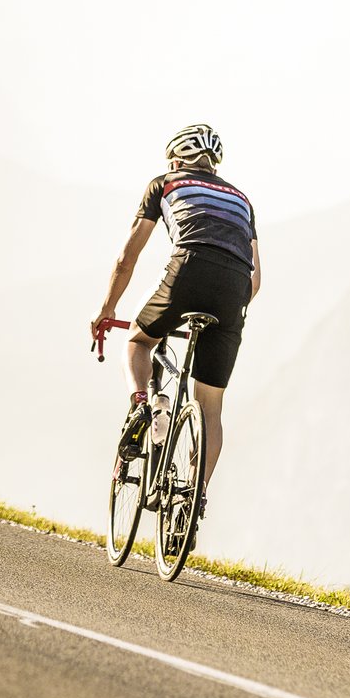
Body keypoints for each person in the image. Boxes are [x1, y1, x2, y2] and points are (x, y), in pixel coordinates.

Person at [90, 124, 261, 519]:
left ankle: (139, 407)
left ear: (176, 158)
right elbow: (256, 280)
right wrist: (224, 311)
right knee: (211, 408)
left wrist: (108, 308)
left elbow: (126, 258)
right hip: (235, 289)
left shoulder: (164, 184)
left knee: (138, 341)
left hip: (188, 268)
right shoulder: (242, 199)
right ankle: (193, 498)